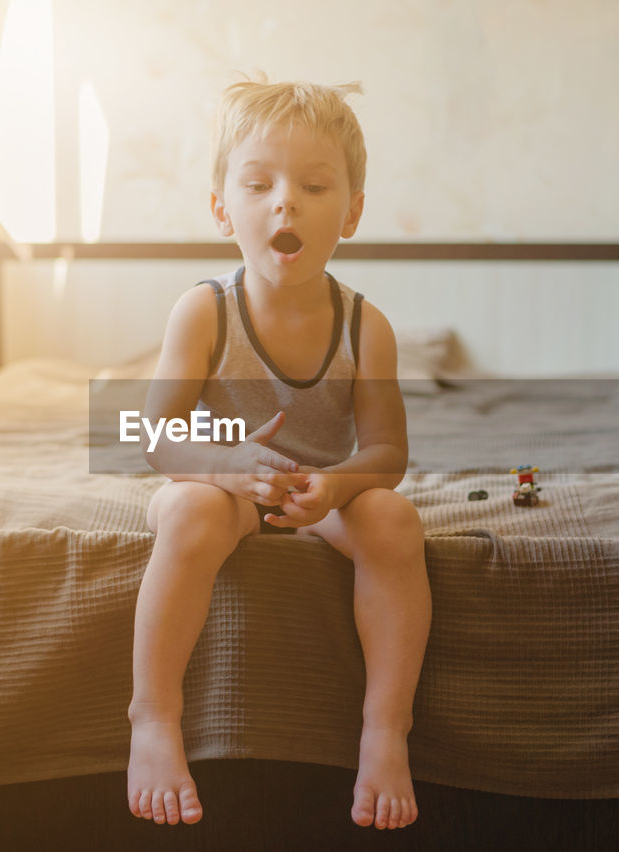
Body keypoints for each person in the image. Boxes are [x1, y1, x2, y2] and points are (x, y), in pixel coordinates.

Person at [126, 77, 432, 832]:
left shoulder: (367, 328)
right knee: (196, 510)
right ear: (223, 208)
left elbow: (387, 451)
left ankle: (385, 732)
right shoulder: (204, 311)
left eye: (314, 185)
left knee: (393, 520)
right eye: (259, 184)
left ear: (352, 212)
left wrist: (336, 487)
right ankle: (153, 719)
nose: (284, 203)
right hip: (219, 483)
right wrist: (225, 465)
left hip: (317, 493)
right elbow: (153, 434)